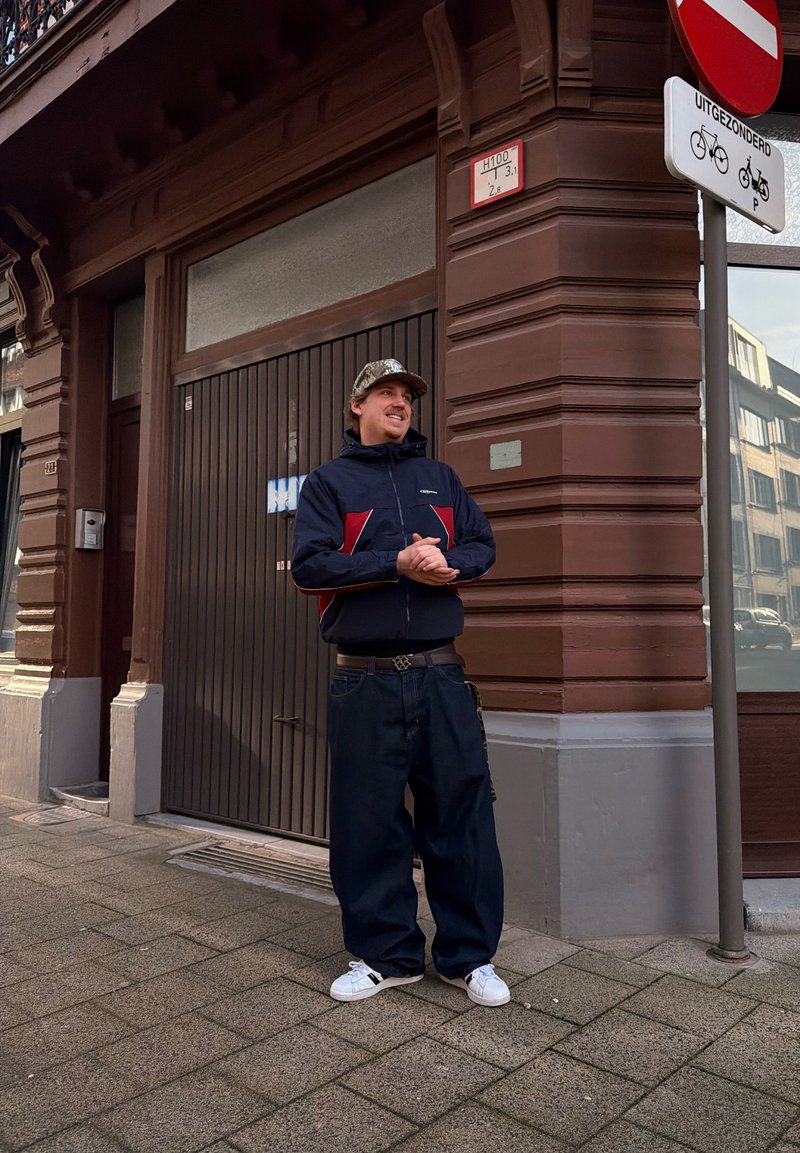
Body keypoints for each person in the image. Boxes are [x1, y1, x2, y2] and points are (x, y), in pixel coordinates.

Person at [291, 358, 508, 1007]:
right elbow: (310, 565)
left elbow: (482, 543)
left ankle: (468, 958)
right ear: (356, 406)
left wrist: (446, 560)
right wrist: (396, 562)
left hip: (442, 676)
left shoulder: (439, 478)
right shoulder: (328, 484)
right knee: (368, 821)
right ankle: (387, 955)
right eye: (386, 393)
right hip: (365, 681)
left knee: (462, 817)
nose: (400, 402)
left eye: (408, 394)